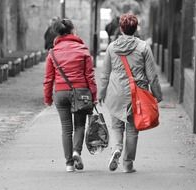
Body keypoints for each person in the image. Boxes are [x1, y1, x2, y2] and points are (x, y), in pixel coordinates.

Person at [99, 14, 163, 173]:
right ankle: (128, 164)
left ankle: (117, 147)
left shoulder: (112, 47)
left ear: (121, 28)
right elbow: (152, 75)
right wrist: (157, 94)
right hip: (137, 94)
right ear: (136, 28)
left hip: (115, 92)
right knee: (133, 129)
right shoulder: (143, 47)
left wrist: (101, 93)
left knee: (116, 125)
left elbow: (105, 74)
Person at [43, 18, 97, 172]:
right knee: (80, 125)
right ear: (73, 31)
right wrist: (93, 96)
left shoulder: (52, 53)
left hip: (60, 93)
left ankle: (69, 164)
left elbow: (48, 79)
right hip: (81, 92)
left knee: (66, 128)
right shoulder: (83, 50)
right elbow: (90, 77)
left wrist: (47, 98)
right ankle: (76, 152)